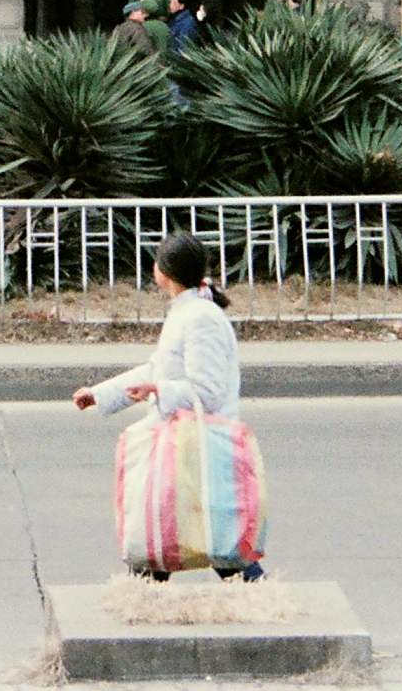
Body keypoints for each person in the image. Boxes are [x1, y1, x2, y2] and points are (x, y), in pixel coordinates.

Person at [73, 231, 264, 583]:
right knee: (186, 526)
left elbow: (205, 390)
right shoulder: (189, 312)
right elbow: (157, 368)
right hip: (182, 440)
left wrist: (157, 389)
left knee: (189, 528)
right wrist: (101, 393)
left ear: (163, 272)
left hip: (197, 440)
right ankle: (248, 589)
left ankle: (147, 592)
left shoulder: (199, 318)